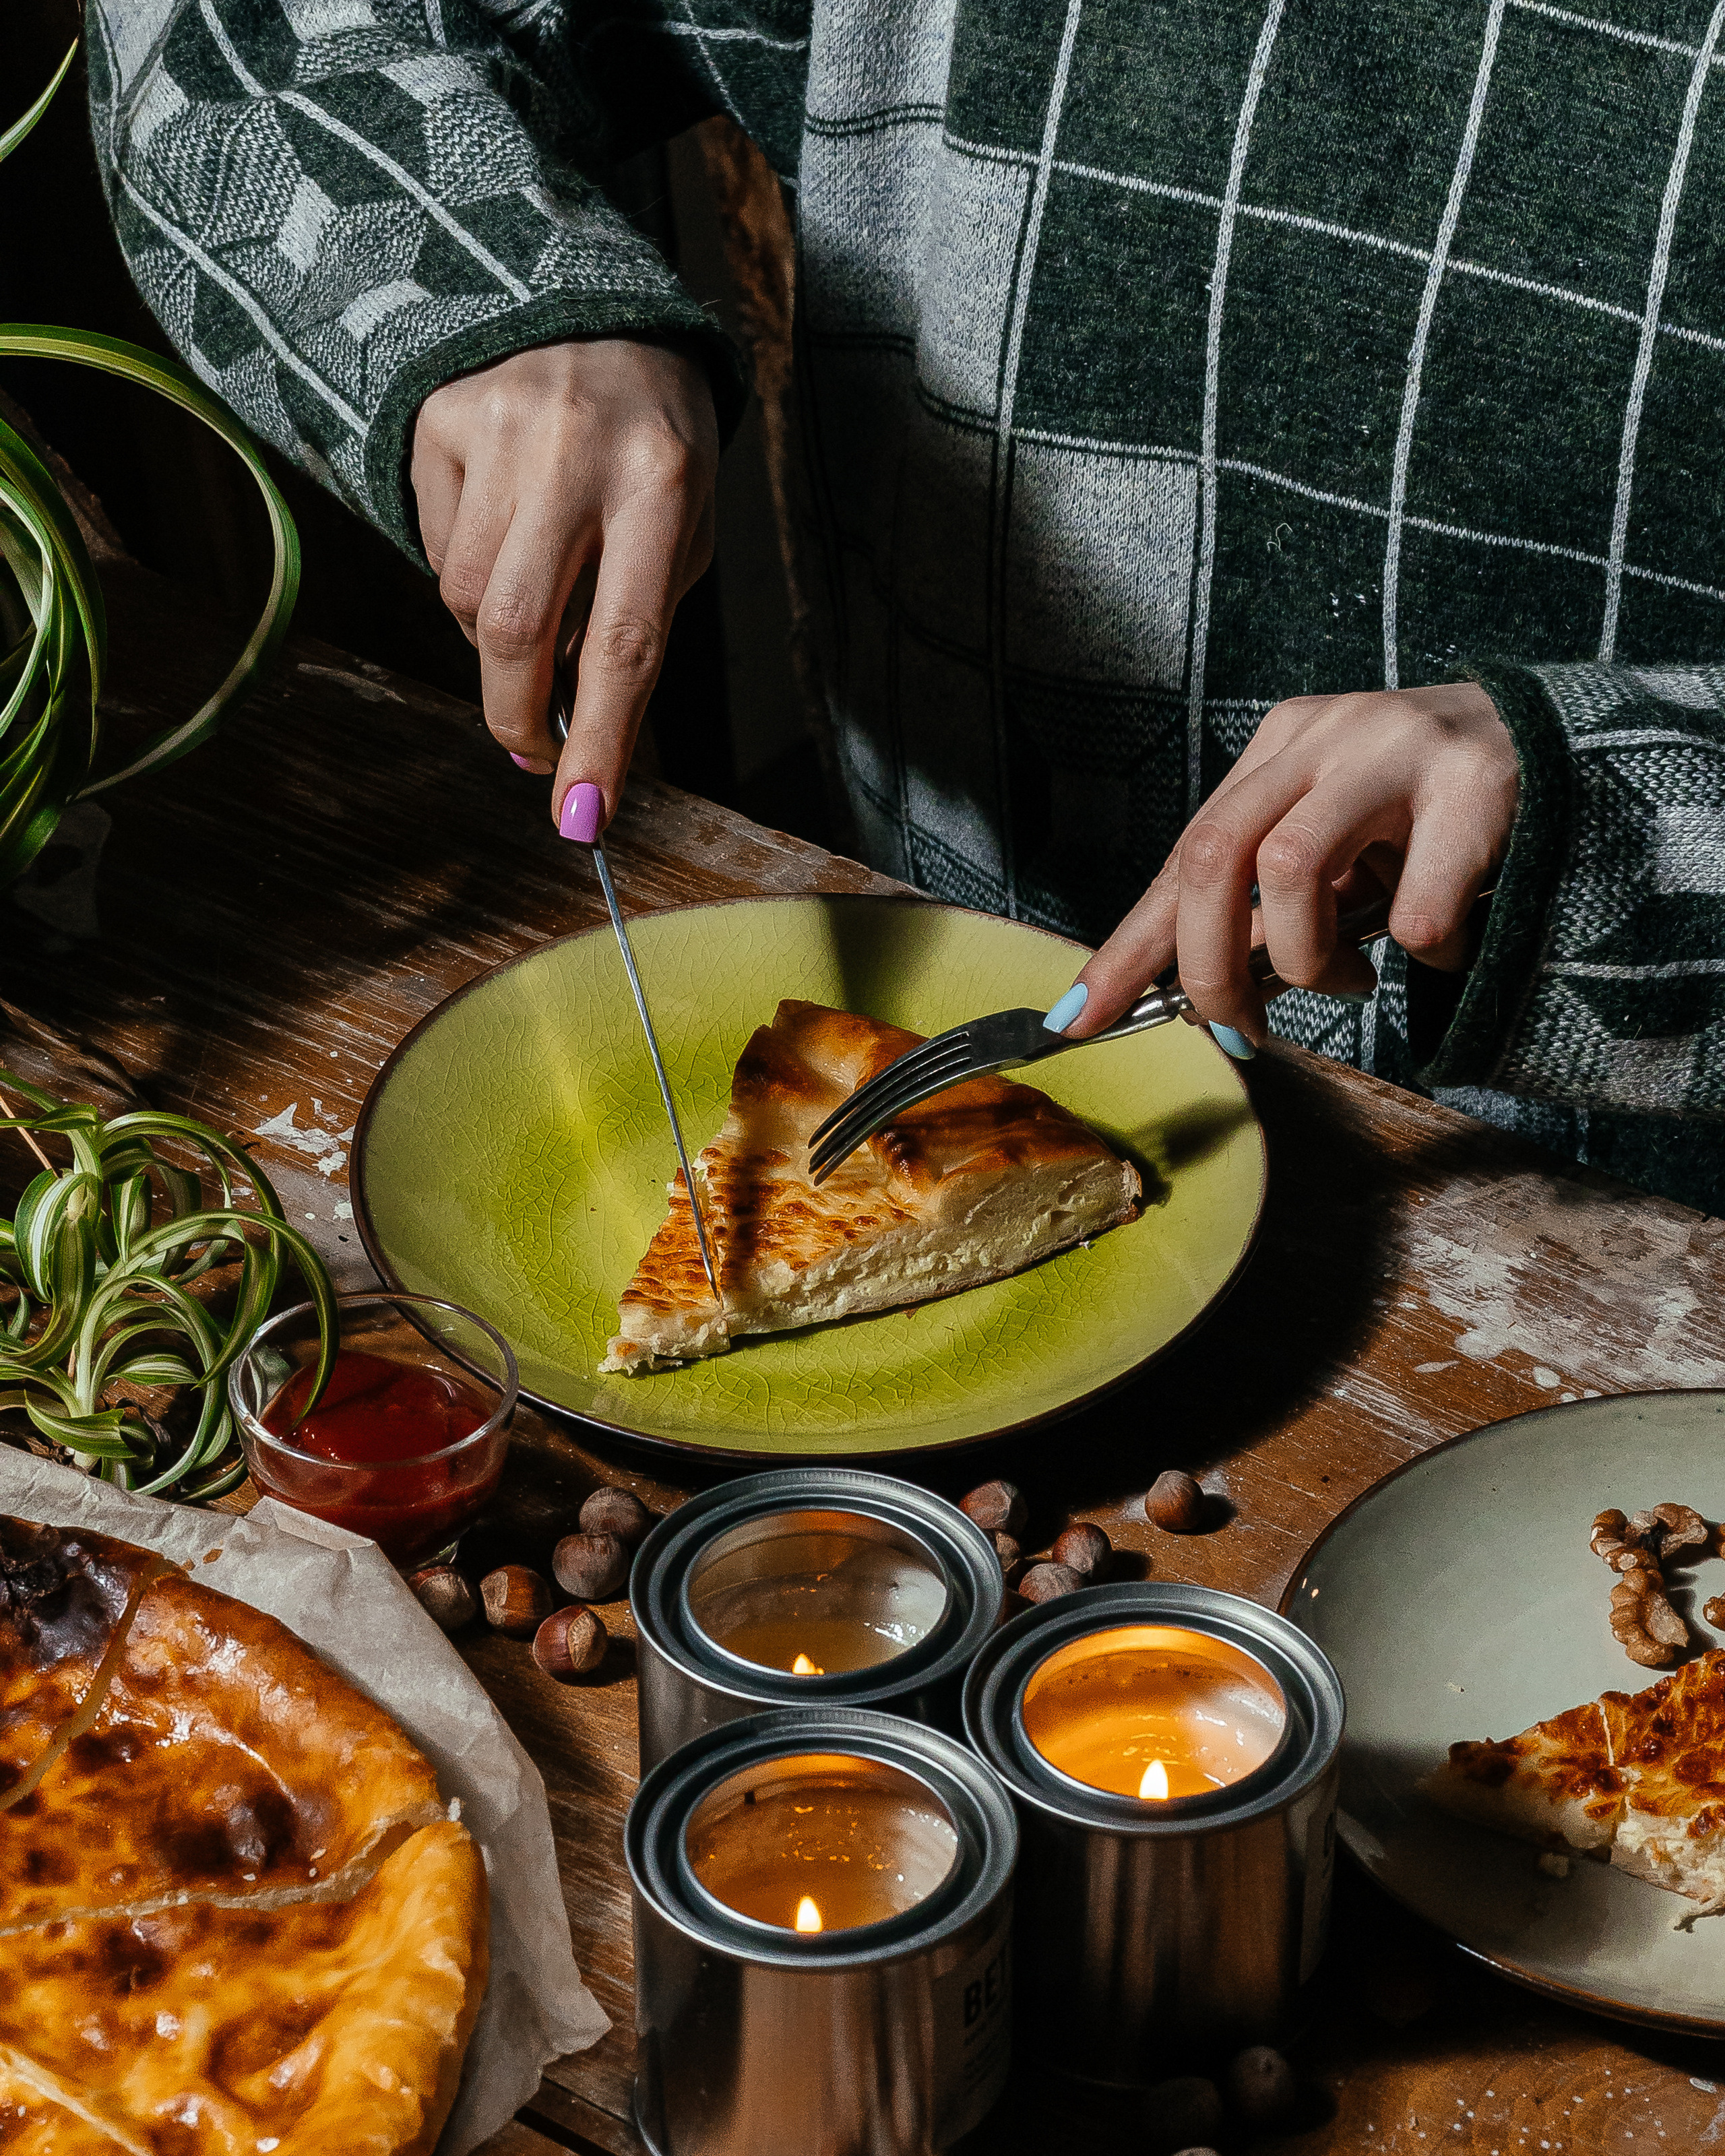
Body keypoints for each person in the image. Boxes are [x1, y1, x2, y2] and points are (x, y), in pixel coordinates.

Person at [90, 0, 1724, 1213]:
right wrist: (485, 293)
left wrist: (1629, 814)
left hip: (1650, 1224)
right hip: (938, 973)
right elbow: (247, 36)